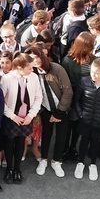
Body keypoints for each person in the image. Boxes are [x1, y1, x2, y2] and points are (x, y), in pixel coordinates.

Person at [29, 46, 73, 178]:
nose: (35, 60)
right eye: (31, 59)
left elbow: (68, 91)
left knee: (61, 136)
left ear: (42, 55)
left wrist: (59, 112)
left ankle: (56, 161)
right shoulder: (33, 72)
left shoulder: (57, 68)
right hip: (46, 109)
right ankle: (43, 160)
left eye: (36, 57)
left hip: (61, 109)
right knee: (46, 135)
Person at [0, 53, 42, 184]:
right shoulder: (6, 79)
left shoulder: (34, 77)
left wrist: (31, 115)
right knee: (9, 143)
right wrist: (12, 116)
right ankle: (9, 169)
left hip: (26, 118)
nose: (32, 70)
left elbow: (38, 97)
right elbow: (2, 101)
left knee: (20, 143)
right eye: (29, 67)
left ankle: (17, 169)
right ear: (19, 67)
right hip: (11, 117)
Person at [73, 58, 100, 181]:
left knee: (96, 142)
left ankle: (93, 164)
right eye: (92, 71)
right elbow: (77, 100)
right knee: (83, 141)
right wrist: (80, 114)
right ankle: (80, 163)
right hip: (85, 119)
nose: (93, 75)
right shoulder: (84, 81)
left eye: (96, 72)